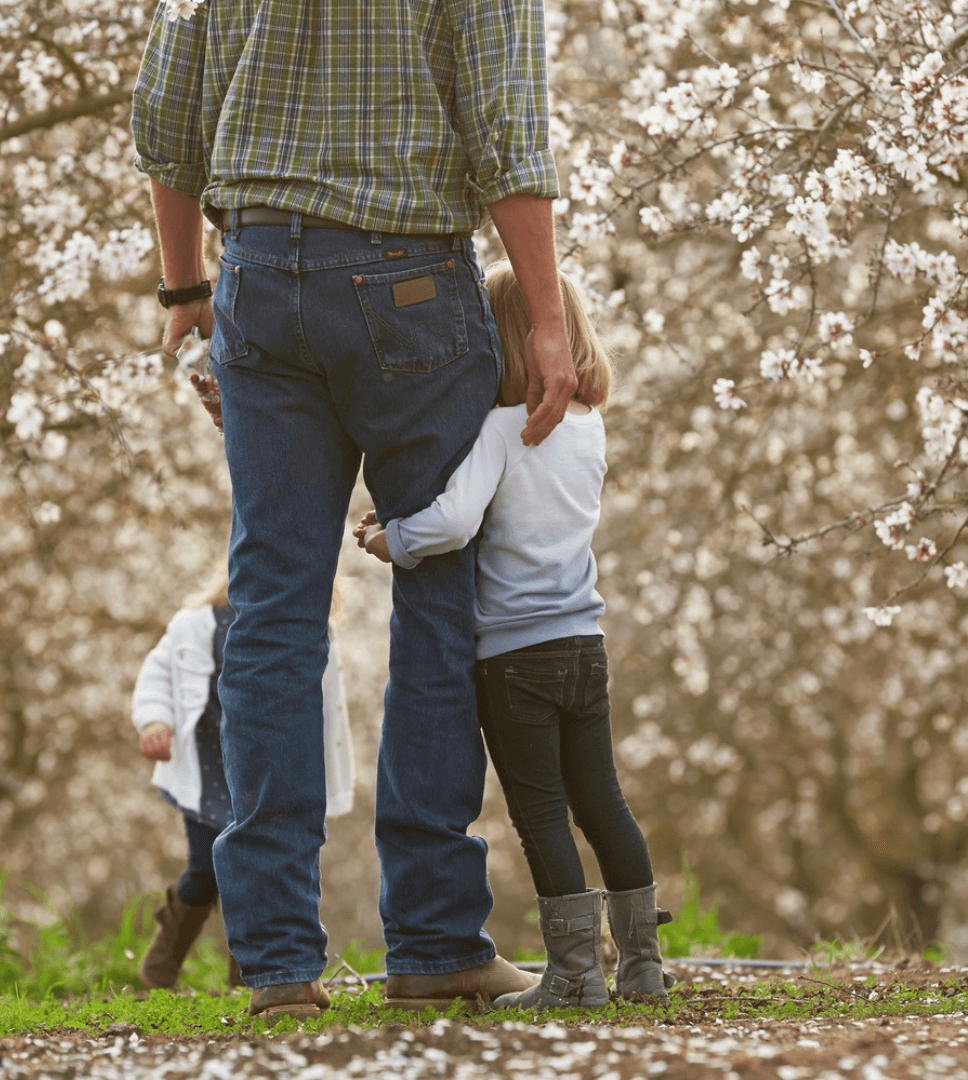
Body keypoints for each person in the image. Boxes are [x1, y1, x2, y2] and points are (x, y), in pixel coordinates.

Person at [131, 0, 578, 1017]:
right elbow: (507, 127)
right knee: (439, 588)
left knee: (272, 608)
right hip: (408, 276)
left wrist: (181, 287)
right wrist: (546, 319)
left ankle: (280, 963)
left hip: (255, 277)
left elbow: (166, 114)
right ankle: (432, 939)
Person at [354, 261, 674, 1009]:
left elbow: (456, 522)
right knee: (603, 800)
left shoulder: (503, 428)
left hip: (513, 655)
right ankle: (643, 967)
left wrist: (392, 539)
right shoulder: (590, 429)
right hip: (582, 644)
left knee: (539, 814)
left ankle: (572, 977)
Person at [131, 562, 355, 992]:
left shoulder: (311, 629)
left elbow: (326, 703)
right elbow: (157, 672)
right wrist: (154, 721)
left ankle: (253, 974)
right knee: (203, 867)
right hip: (209, 768)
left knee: (258, 864)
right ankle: (163, 959)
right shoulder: (197, 623)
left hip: (268, 768)